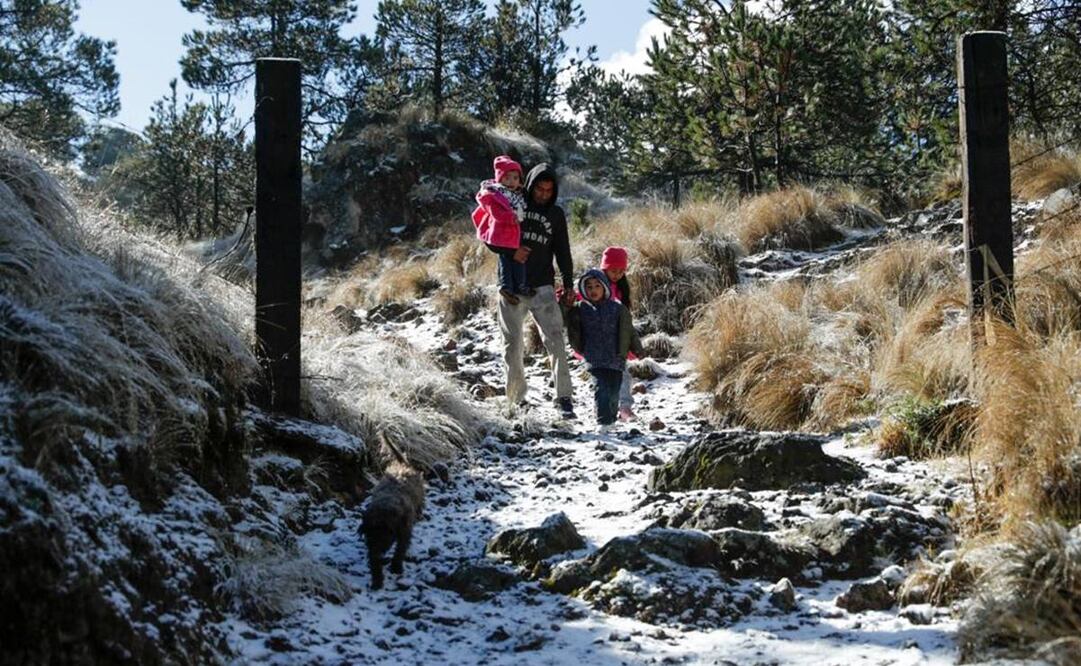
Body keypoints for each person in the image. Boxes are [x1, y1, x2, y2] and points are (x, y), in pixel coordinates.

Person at [498, 163, 576, 419]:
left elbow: (563, 250)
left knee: (555, 341)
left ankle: (564, 398)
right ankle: (515, 400)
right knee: (513, 345)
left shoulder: (555, 214)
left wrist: (567, 283)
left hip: (543, 286)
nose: (543, 194)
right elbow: (489, 235)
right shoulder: (510, 202)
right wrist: (512, 251)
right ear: (530, 185)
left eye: (548, 190)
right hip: (510, 287)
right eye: (539, 189)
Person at [563, 269, 643, 426]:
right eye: (589, 287)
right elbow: (565, 320)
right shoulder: (580, 309)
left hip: (616, 358)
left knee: (614, 391)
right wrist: (566, 305)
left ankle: (611, 419)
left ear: (605, 287)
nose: (593, 290)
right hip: (594, 358)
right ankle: (603, 421)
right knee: (602, 389)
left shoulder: (617, 309)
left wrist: (637, 348)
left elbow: (629, 330)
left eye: (597, 286)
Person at [472, 155, 530, 304]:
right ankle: (506, 286)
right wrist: (511, 218)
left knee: (518, 260)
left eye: (515, 178)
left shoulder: (517, 195)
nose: (512, 182)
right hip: (500, 234)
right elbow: (496, 213)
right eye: (507, 178)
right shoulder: (493, 194)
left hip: (512, 235)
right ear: (499, 178)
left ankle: (520, 285)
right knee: (506, 259)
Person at [599, 246, 638, 422]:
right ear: (604, 268)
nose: (617, 275)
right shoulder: (595, 285)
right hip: (599, 340)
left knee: (623, 373)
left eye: (621, 271)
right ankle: (605, 410)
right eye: (613, 270)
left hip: (618, 340)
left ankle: (625, 407)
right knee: (603, 378)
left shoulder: (622, 289)